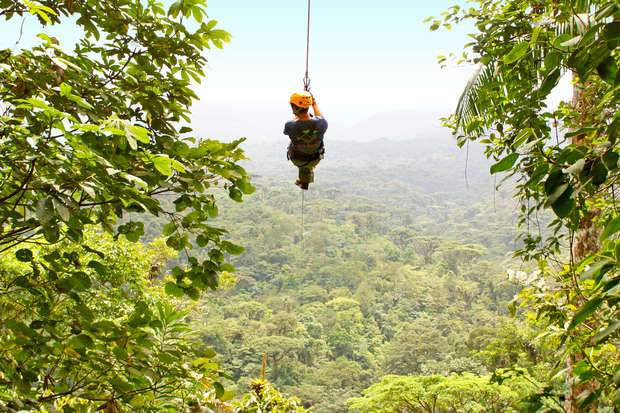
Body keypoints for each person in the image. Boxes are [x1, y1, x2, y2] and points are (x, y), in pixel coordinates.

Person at [283, 91, 328, 190]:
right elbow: (320, 116)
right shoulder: (322, 123)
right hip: (315, 159)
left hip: (296, 159)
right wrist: (314, 103)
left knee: (297, 144)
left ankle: (304, 181)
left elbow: (289, 129)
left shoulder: (290, 125)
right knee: (312, 145)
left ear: (294, 108)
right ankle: (304, 181)